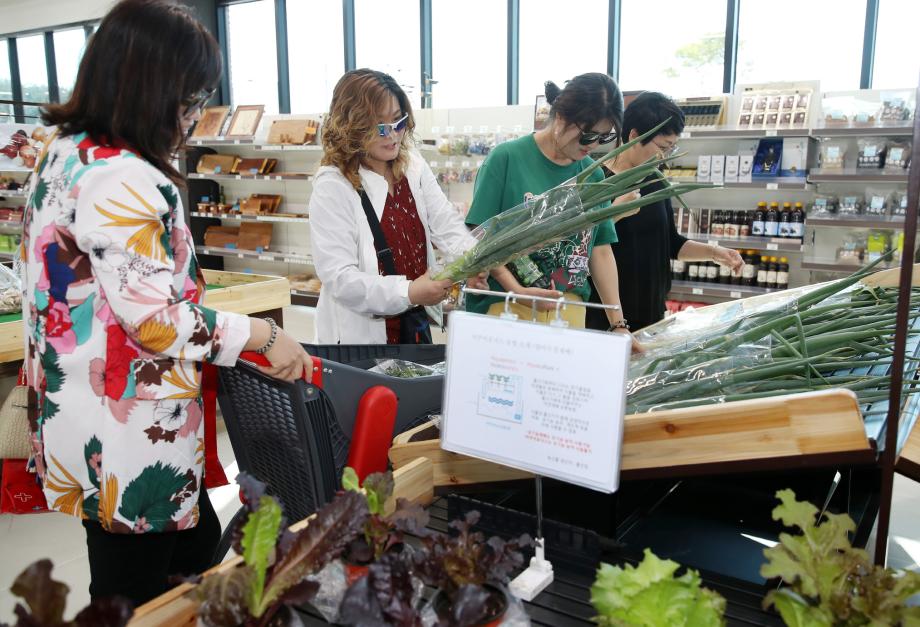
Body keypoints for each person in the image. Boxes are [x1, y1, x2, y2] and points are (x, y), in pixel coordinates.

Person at [22, 0, 312, 607]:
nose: (193, 116)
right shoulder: (124, 176)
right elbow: (156, 320)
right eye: (189, 99)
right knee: (138, 591)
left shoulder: (65, 154)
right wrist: (261, 335)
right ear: (151, 87)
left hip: (83, 412)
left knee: (181, 559)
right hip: (128, 424)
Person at [309, 69, 486, 344]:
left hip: (413, 326)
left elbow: (446, 224)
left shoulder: (412, 165)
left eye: (398, 121)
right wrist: (410, 291)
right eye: (380, 127)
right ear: (351, 127)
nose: (393, 135)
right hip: (362, 340)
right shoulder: (334, 185)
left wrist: (473, 262)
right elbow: (340, 278)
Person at [464, 73, 635, 341]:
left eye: (603, 138)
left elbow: (600, 251)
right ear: (562, 118)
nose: (592, 146)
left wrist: (618, 323)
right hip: (506, 306)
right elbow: (480, 234)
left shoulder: (593, 175)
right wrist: (515, 289)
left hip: (568, 311)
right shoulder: (506, 158)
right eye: (587, 136)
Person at [585, 92, 744, 332]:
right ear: (634, 136)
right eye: (662, 147)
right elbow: (583, 243)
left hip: (652, 313)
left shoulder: (656, 181)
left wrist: (713, 252)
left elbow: (671, 243)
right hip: (608, 317)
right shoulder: (598, 181)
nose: (665, 156)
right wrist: (615, 211)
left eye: (671, 148)